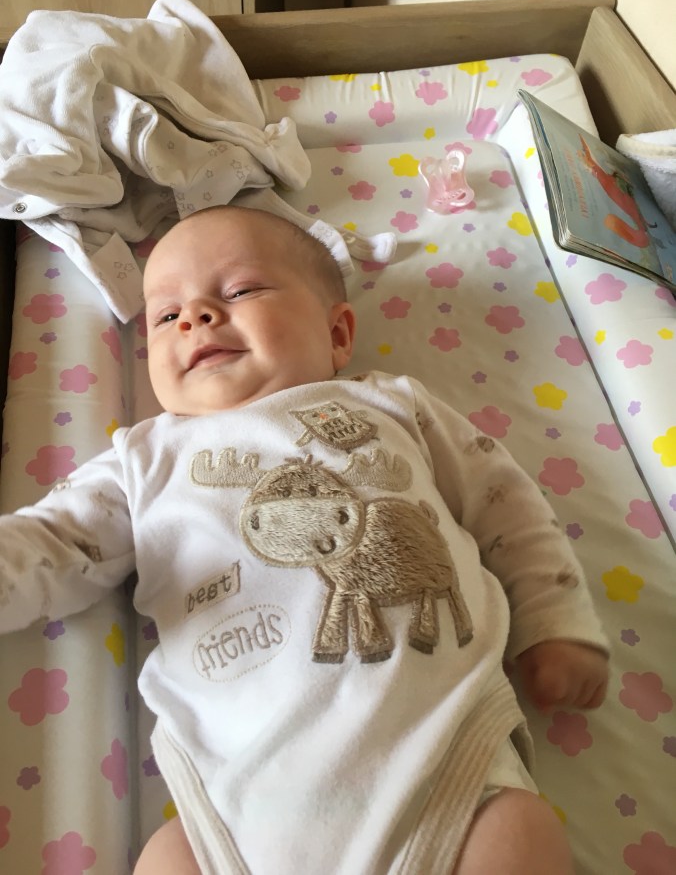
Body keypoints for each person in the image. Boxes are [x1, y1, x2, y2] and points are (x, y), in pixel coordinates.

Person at [0, 206, 609, 875]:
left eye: (240, 290)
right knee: (168, 860)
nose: (196, 316)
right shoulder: (145, 458)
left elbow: (504, 501)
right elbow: (56, 540)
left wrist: (554, 618)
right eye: (167, 315)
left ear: (337, 333)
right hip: (239, 802)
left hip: (443, 759)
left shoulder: (393, 406)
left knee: (520, 833)